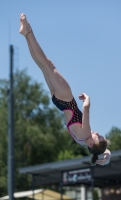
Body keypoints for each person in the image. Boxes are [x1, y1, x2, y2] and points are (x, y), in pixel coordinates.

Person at [19, 13, 111, 166]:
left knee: (48, 65)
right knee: (43, 66)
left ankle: (28, 31)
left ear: (91, 144)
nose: (96, 133)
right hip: (58, 101)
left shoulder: (86, 133)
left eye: (98, 136)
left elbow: (86, 108)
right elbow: (102, 150)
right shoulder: (83, 141)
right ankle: (26, 33)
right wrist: (105, 157)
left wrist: (87, 99)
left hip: (67, 99)